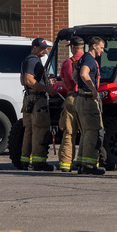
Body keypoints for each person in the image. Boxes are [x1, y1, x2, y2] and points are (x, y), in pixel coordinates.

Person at [19, 37, 57, 171]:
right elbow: (28, 80)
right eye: (41, 48)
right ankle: (39, 162)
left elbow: (23, 81)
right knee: (40, 130)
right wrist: (47, 89)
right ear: (34, 48)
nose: (44, 50)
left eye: (45, 48)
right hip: (37, 101)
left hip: (29, 99)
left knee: (29, 130)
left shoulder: (27, 59)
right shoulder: (33, 60)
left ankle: (25, 160)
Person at [73, 36, 106, 175]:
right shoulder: (89, 59)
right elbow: (83, 74)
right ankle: (89, 166)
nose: (102, 51)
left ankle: (81, 163)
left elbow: (75, 76)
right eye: (101, 47)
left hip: (80, 98)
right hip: (87, 99)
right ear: (94, 46)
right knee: (92, 132)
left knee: (86, 133)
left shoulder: (82, 58)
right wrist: (93, 89)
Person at [56, 36, 86, 172]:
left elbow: (65, 84)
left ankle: (65, 164)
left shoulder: (67, 63)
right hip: (85, 99)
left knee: (69, 133)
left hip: (71, 98)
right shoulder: (90, 61)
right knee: (87, 133)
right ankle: (84, 163)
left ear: (72, 47)